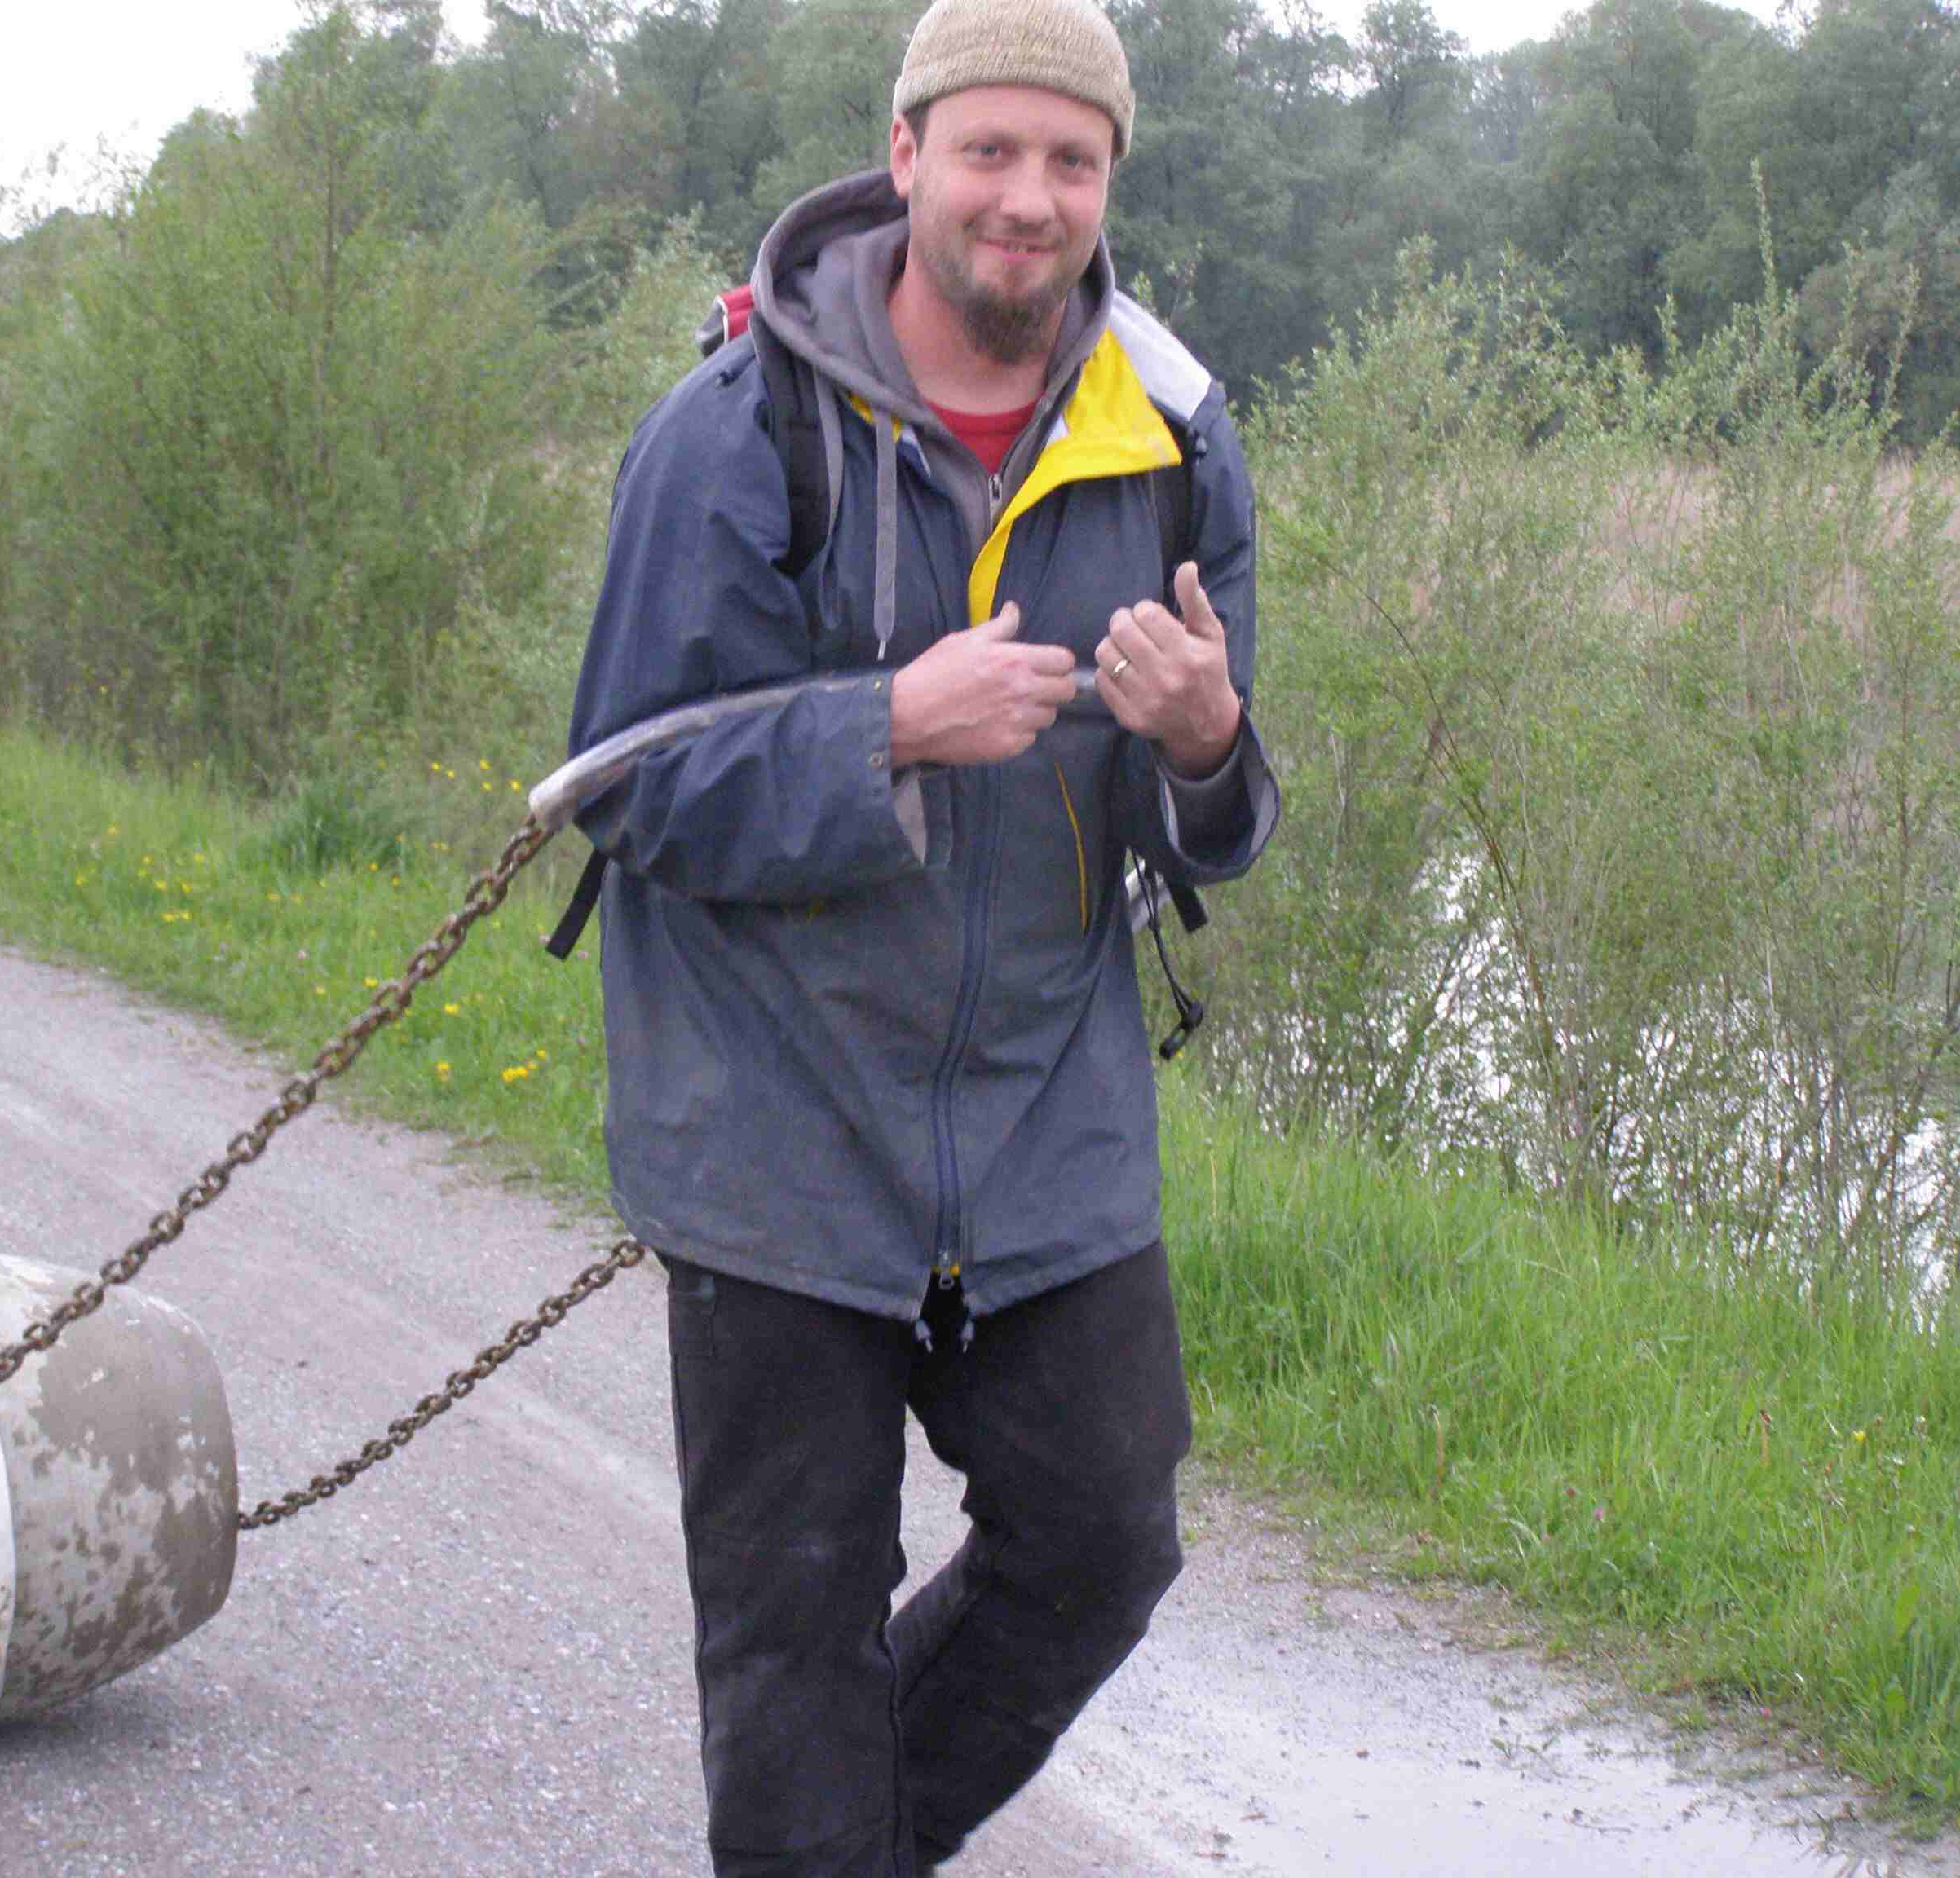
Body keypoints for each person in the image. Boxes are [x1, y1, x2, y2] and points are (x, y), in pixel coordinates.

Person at [565, 2, 1279, 1870]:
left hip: (1047, 1130)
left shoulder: (1173, 442)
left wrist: (1207, 741)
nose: (1027, 198)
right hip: (777, 1134)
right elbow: (629, 789)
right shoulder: (736, 432)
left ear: (1109, 181)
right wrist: (881, 725)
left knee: (1103, 1540)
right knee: (792, 1637)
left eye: (1070, 160)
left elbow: (1218, 822)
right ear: (906, 159)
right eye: (989, 151)